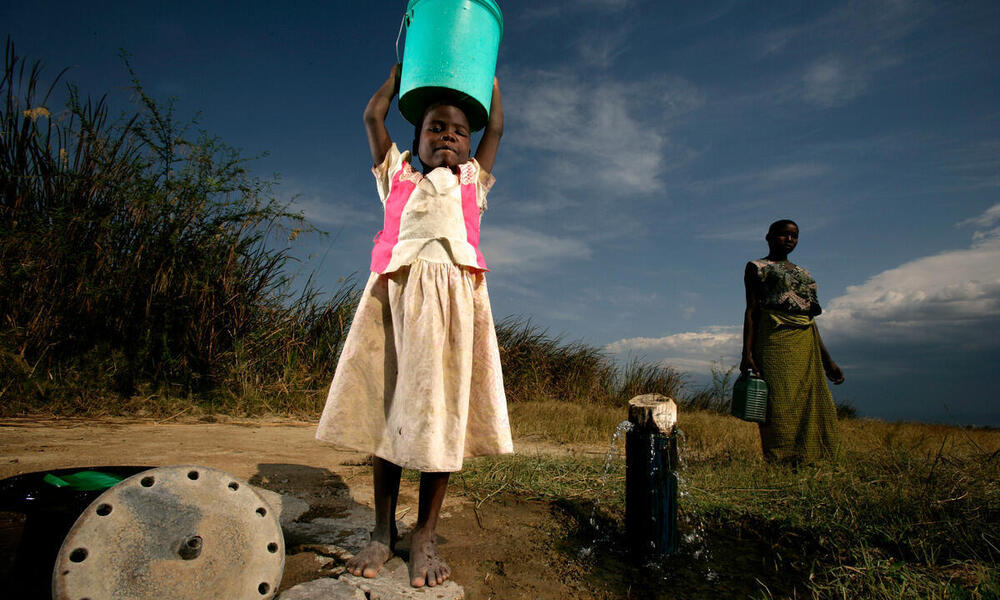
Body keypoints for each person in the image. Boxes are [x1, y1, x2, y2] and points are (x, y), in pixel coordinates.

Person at [315, 64, 512, 588]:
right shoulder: (396, 176)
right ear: (415, 138)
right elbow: (371, 114)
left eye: (457, 130)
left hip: (453, 309)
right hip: (395, 304)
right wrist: (402, 72)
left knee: (440, 419)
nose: (448, 134)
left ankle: (424, 533)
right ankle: (382, 531)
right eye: (435, 127)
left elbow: (495, 128)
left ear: (468, 146)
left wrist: (484, 74)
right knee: (388, 413)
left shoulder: (473, 182)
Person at [740, 219, 844, 465]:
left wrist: (828, 361)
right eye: (783, 235)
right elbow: (751, 310)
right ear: (768, 237)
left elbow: (809, 319)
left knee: (810, 400)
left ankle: (809, 457)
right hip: (774, 340)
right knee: (777, 402)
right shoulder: (757, 267)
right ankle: (779, 458)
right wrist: (747, 353)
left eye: (794, 236)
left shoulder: (804, 273)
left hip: (805, 343)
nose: (789, 240)